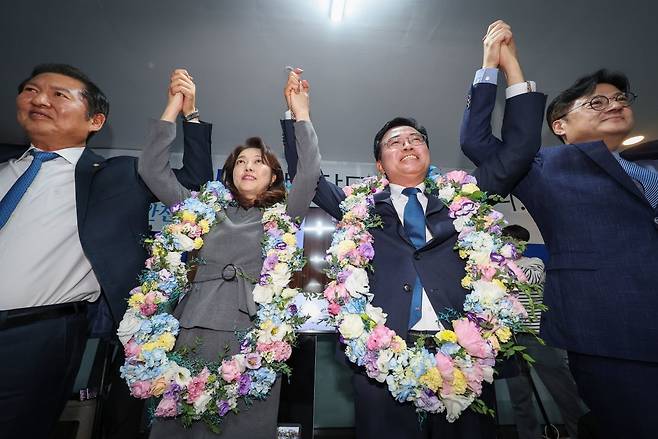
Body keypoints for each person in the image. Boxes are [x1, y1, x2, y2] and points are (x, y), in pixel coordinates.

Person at [283, 39, 546, 437]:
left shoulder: (464, 198)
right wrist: (298, 116)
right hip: (383, 359)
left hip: (464, 357)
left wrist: (502, 67)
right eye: (395, 142)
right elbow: (308, 178)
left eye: (415, 139)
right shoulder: (361, 207)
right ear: (379, 164)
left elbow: (519, 151)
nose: (407, 144)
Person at [460, 19, 658, 439]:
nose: (615, 105)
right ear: (560, 126)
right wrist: (503, 67)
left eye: (621, 99)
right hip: (612, 330)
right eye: (596, 103)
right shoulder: (542, 168)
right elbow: (479, 142)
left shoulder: (649, 165)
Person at [0, 64, 213, 438]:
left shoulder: (118, 175)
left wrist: (188, 114)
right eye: (31, 90)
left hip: (36, 333)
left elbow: (193, 183)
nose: (40, 99)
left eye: (60, 95)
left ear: (95, 120)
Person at [141, 69, 320, 438]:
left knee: (243, 427)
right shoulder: (201, 208)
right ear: (231, 172)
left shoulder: (284, 215)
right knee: (180, 424)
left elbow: (310, 173)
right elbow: (152, 170)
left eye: (259, 162)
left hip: (253, 337)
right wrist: (176, 106)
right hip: (192, 326)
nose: (249, 166)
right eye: (241, 161)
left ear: (273, 177)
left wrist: (300, 113)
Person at [502, 225, 586, 439]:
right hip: (510, 340)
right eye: (507, 241)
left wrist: (500, 263)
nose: (512, 245)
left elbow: (528, 279)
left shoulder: (534, 263)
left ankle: (581, 432)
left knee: (563, 391)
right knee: (519, 398)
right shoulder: (494, 269)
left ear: (524, 244)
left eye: (517, 242)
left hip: (537, 337)